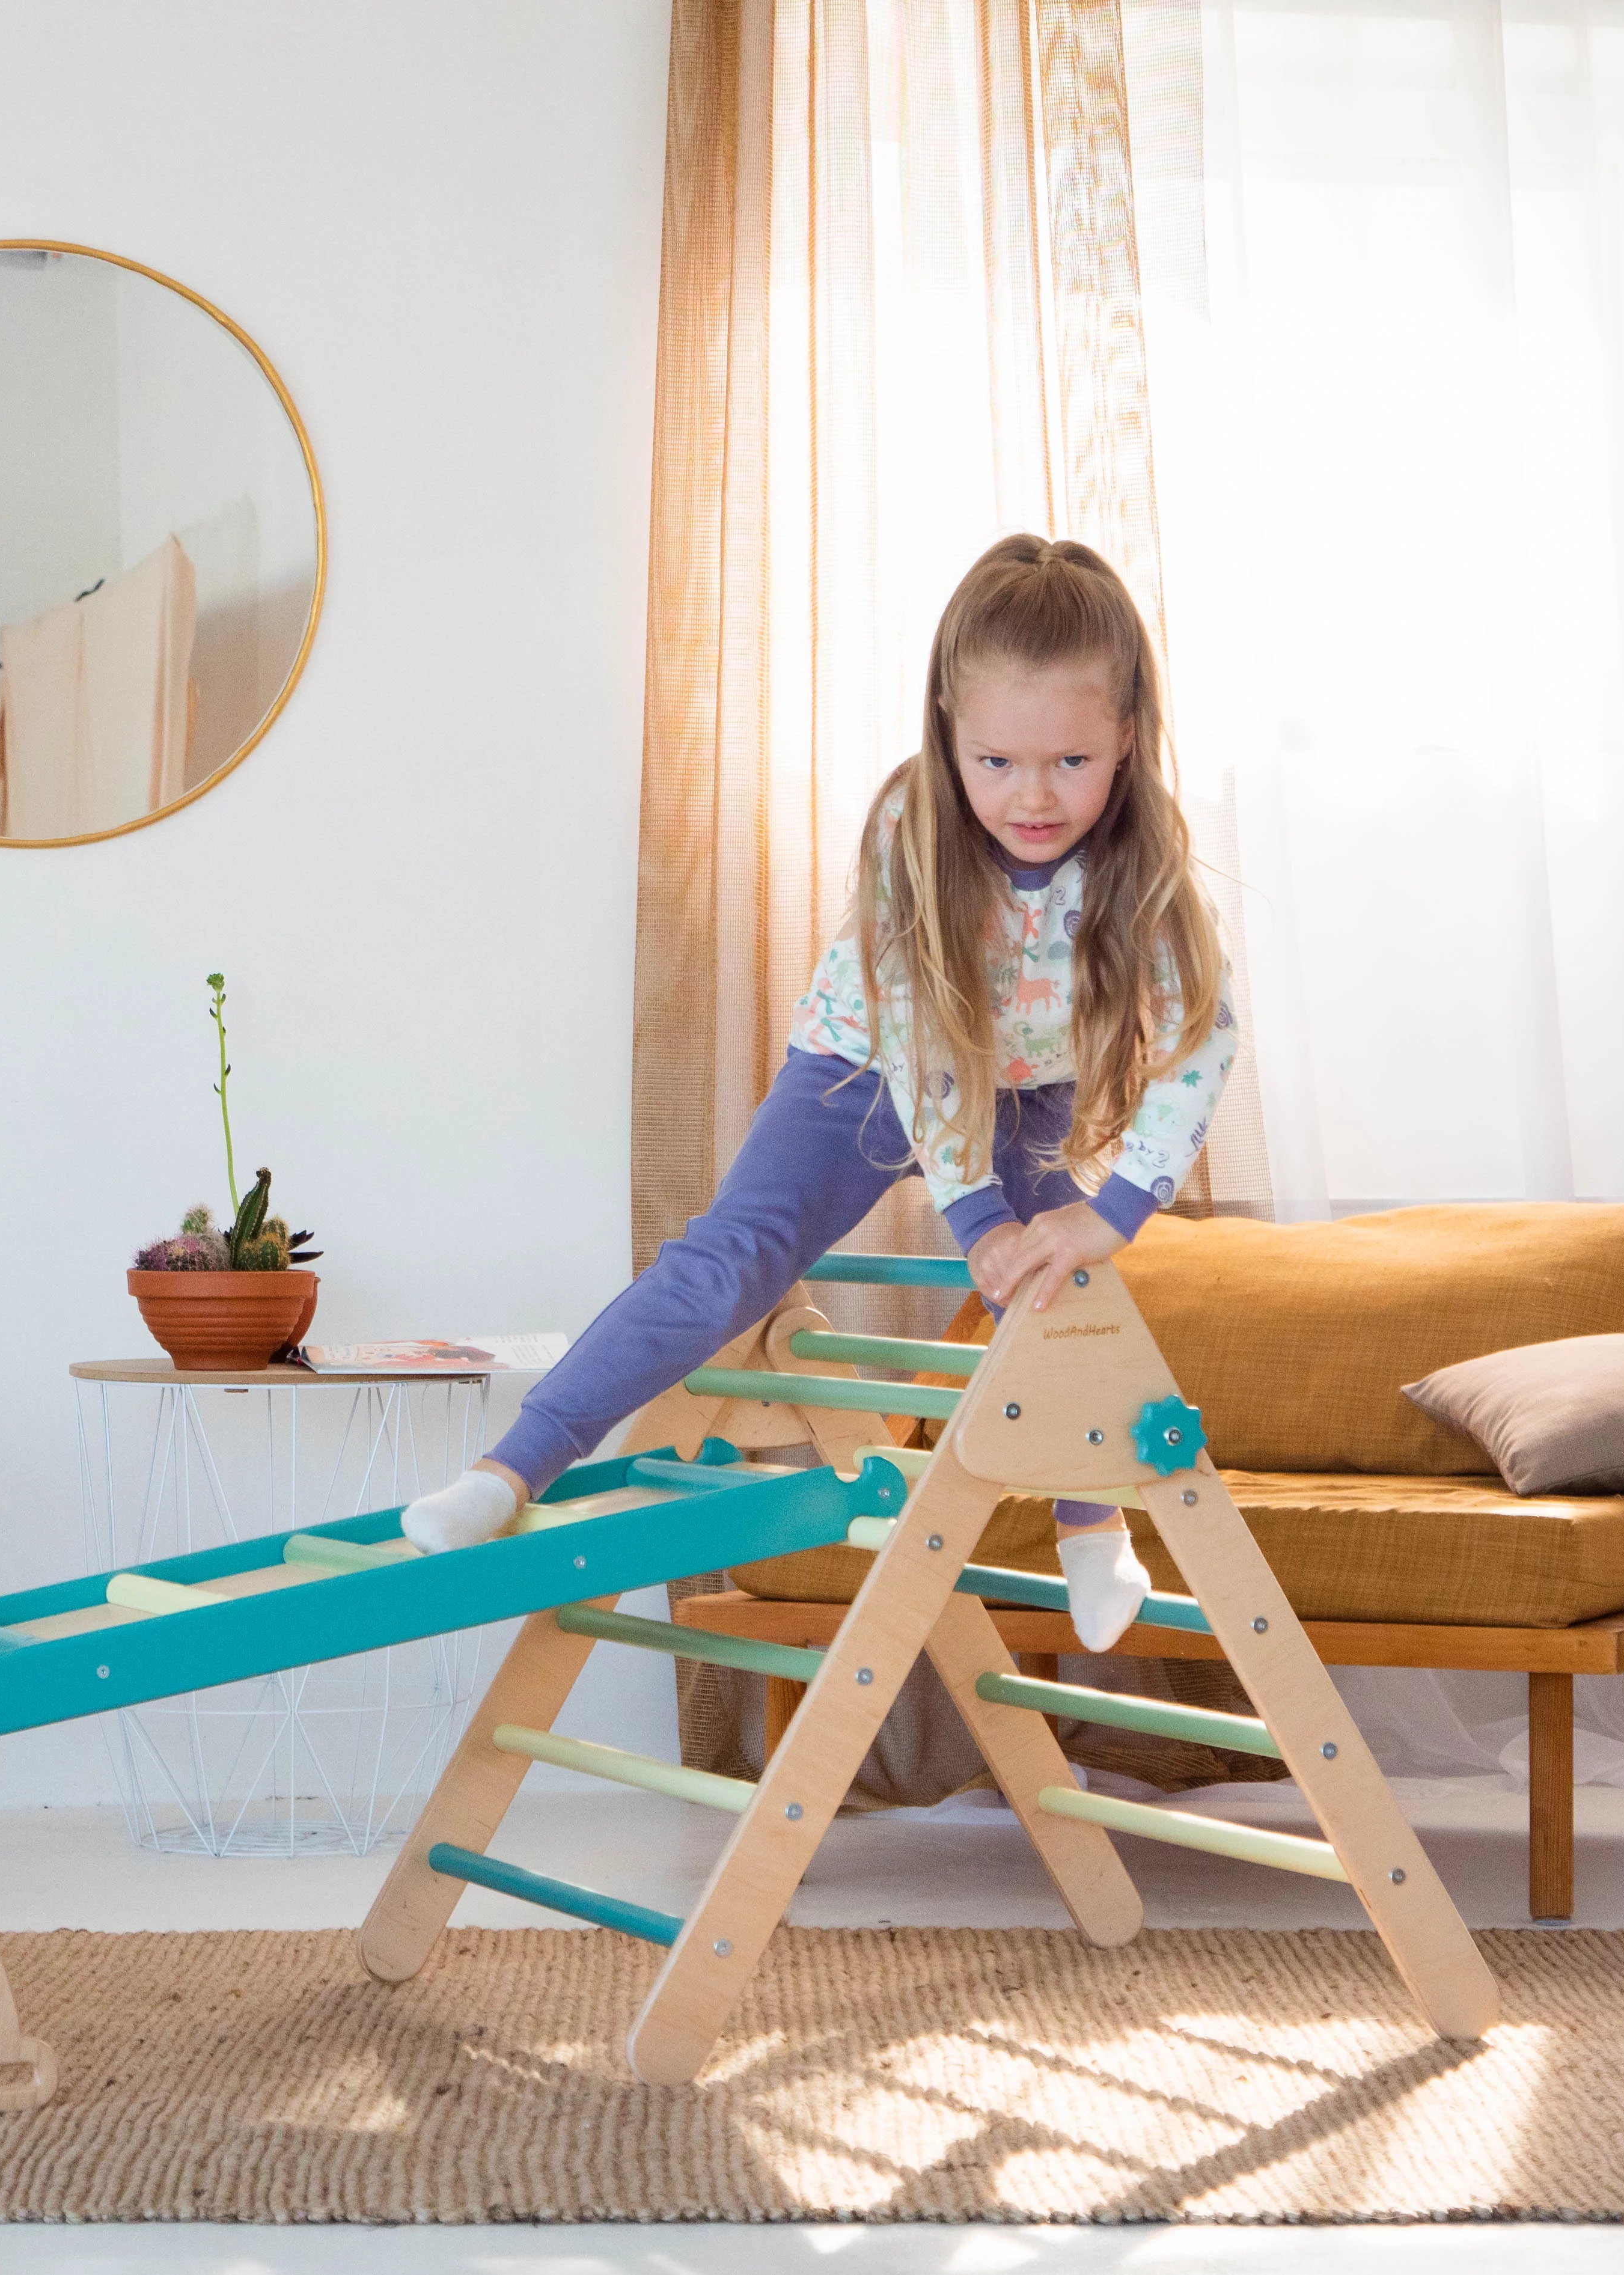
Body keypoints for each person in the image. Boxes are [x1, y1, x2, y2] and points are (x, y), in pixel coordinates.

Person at [403, 533, 1239, 1652]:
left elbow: (1202, 1034)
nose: (1032, 797)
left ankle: (1096, 1530)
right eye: (997, 762)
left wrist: (1113, 1206)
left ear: (1126, 738)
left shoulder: (1145, 856)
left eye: (1071, 764)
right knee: (730, 1261)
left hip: (1022, 1086)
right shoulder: (914, 827)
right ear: (947, 726)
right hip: (864, 1065)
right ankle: (510, 1470)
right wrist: (977, 1214)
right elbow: (922, 1036)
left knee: (1058, 1281)